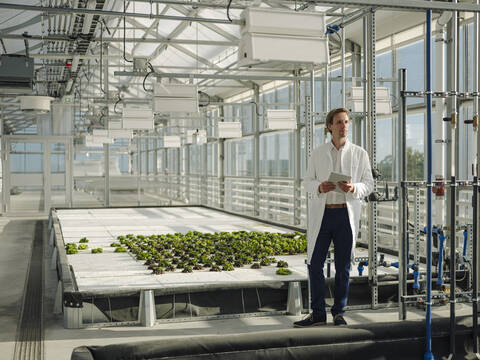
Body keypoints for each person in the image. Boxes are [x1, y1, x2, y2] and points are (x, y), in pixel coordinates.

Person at [294, 107, 374, 327]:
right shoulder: (318, 153)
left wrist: (353, 188)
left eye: (346, 122)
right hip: (323, 215)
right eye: (339, 122)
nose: (344, 126)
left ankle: (339, 312)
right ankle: (318, 313)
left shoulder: (360, 153)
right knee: (314, 263)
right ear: (329, 126)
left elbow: (369, 184)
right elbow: (307, 181)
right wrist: (320, 186)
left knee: (343, 266)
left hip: (345, 216)